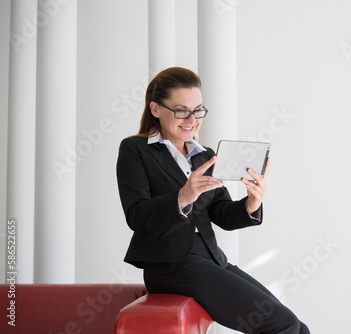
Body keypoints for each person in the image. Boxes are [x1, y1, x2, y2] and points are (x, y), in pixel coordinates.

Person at [116, 67, 309, 333]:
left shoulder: (203, 154)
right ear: (156, 109)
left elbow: (221, 213)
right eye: (181, 110)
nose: (192, 119)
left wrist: (251, 203)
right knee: (281, 324)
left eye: (198, 110)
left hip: (211, 257)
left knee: (298, 327)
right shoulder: (135, 150)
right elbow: (136, 215)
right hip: (171, 265)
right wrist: (183, 196)